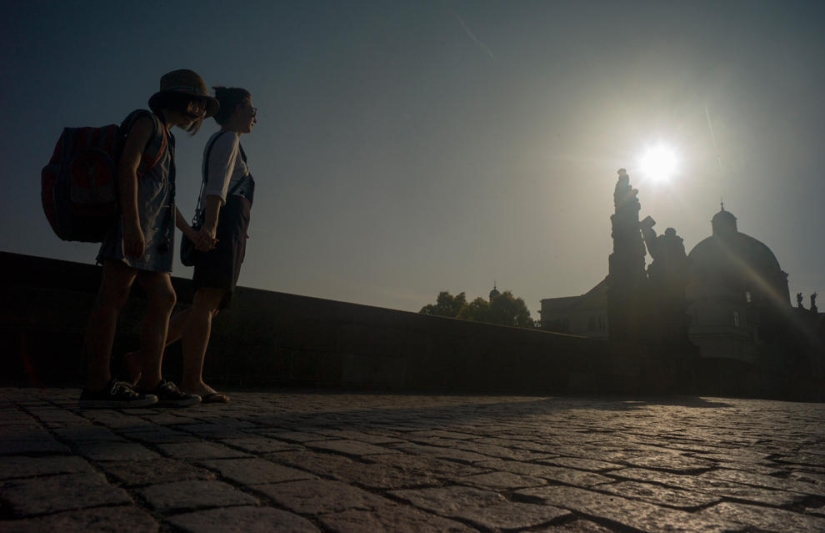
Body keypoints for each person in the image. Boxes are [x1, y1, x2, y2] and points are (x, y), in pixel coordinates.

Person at [80, 69, 219, 408]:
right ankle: (97, 384)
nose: (200, 111)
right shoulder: (146, 122)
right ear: (180, 99)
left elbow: (164, 198)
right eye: (198, 103)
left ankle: (151, 381)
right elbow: (126, 167)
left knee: (165, 299)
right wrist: (131, 224)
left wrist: (188, 231)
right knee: (113, 296)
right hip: (133, 228)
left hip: (153, 238)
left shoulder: (168, 138)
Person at [124, 86, 257, 404]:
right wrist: (212, 226)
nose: (255, 116)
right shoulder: (228, 139)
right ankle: (191, 380)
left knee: (206, 304)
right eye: (251, 109)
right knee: (206, 302)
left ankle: (140, 360)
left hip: (228, 226)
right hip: (224, 225)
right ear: (238, 109)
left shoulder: (225, 141)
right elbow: (216, 188)